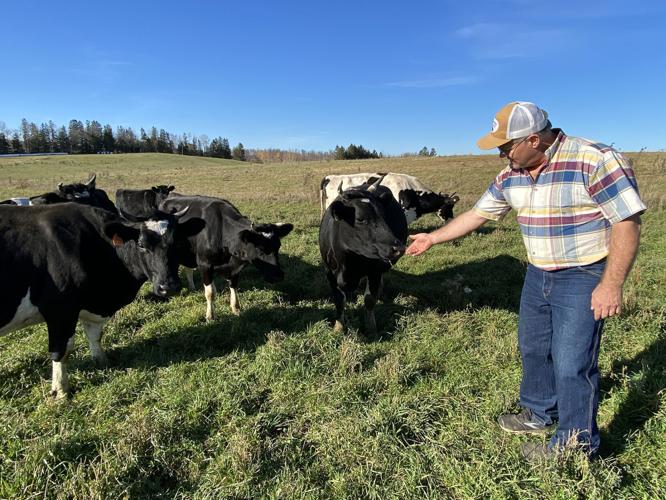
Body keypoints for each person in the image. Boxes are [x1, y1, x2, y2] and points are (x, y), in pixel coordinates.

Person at [406, 101, 646, 459]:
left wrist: (610, 284)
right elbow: (478, 213)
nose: (501, 155)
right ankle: (538, 413)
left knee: (572, 361)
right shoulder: (511, 174)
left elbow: (627, 221)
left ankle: (576, 444)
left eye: (505, 147)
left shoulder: (595, 159)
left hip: (583, 274)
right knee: (534, 348)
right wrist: (432, 237)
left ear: (533, 139)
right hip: (537, 273)